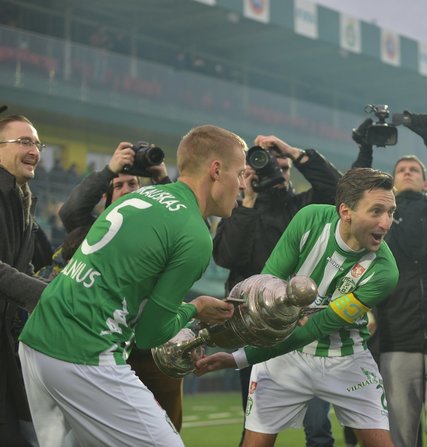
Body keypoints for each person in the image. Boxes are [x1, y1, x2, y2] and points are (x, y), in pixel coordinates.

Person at [18, 124, 246, 446]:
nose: (241, 187)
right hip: (85, 349)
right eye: (240, 174)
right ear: (216, 170)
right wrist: (195, 308)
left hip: (37, 340)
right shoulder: (194, 235)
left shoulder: (143, 195)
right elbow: (151, 334)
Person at [196, 167, 399, 447]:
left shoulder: (384, 273)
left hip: (346, 359)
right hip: (284, 358)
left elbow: (312, 329)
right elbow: (264, 288)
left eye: (390, 212)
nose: (386, 222)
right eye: (376, 211)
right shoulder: (310, 219)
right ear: (345, 211)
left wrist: (238, 358)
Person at [212, 134, 342, 446]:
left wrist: (295, 152)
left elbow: (340, 190)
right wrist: (249, 200)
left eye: (283, 167)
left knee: (317, 427)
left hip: (301, 323)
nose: (278, 173)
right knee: (254, 423)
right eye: (270, 168)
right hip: (255, 328)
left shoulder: (303, 206)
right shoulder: (239, 210)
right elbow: (227, 256)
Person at [351, 111, 427, 447]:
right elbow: (354, 192)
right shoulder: (379, 219)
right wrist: (366, 150)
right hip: (397, 340)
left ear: (425, 182)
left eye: (414, 170)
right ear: (393, 183)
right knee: (400, 437)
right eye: (401, 170)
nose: (408, 172)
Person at [57, 142, 186, 430]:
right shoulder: (93, 232)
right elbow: (70, 212)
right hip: (106, 344)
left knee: (167, 427)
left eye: (134, 184)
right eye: (119, 185)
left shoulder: (164, 228)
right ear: (107, 196)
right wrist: (108, 170)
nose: (128, 189)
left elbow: (188, 221)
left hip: (154, 349)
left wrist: (162, 179)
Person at [0, 114, 49, 446]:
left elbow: (44, 259)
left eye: (36, 143)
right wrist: (49, 297)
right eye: (24, 141)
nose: (34, 149)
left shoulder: (22, 198)